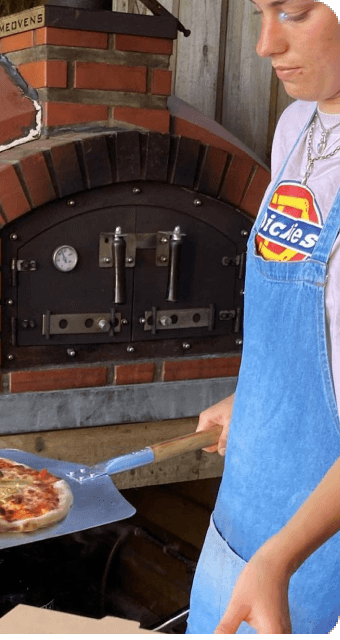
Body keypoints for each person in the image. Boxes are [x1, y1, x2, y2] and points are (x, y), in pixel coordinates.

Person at [185, 0, 340, 634]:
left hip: (316, 545)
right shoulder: (297, 126)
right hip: (249, 505)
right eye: (260, 13)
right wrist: (252, 396)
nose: (264, 45)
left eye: (295, 13)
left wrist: (277, 563)